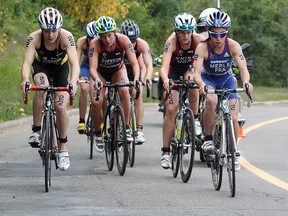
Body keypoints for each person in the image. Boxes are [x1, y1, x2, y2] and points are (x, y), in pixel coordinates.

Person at [193, 11, 253, 171]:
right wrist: (202, 85)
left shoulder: (233, 45)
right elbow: (196, 74)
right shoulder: (202, 47)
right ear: (208, 32)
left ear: (227, 32)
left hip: (226, 79)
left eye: (222, 35)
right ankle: (209, 138)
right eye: (214, 35)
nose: (218, 39)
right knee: (212, 100)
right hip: (209, 80)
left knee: (234, 116)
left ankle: (233, 151)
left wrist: (246, 82)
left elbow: (243, 68)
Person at [20, 7, 79, 171]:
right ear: (41, 29)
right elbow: (26, 63)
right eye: (46, 31)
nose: (51, 35)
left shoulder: (67, 37)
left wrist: (73, 81)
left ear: (59, 28)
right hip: (41, 67)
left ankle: (62, 148)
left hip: (61, 69)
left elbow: (74, 63)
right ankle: (37, 131)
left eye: (54, 30)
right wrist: (25, 80)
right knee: (42, 87)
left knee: (60, 108)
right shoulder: (34, 38)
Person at [88, 16, 140, 152]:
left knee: (124, 90)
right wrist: (97, 81)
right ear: (99, 36)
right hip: (100, 73)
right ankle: (98, 132)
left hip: (118, 70)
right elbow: (92, 68)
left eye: (110, 35)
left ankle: (126, 128)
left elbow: (134, 63)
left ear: (114, 32)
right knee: (96, 101)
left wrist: (136, 79)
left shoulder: (123, 40)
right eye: (103, 36)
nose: (107, 40)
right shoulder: (95, 43)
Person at [160, 12, 205, 169]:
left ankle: (195, 118)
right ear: (176, 31)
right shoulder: (171, 42)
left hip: (188, 70)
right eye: (182, 32)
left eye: (188, 32)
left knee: (192, 81)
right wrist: (166, 80)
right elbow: (164, 66)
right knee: (171, 109)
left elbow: (205, 60)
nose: (186, 36)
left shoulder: (198, 40)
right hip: (172, 73)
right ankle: (166, 152)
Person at [119, 19, 153, 144]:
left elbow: (148, 65)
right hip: (120, 71)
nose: (131, 44)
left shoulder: (142, 44)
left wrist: (146, 79)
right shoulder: (118, 43)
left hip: (136, 71)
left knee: (137, 95)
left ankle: (139, 130)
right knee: (116, 95)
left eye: (133, 41)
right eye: (129, 40)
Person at [76, 21, 98, 134]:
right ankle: (82, 121)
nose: (93, 42)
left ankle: (100, 120)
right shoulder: (82, 42)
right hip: (86, 66)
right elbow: (75, 60)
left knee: (97, 95)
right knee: (84, 88)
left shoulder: (102, 41)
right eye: (91, 38)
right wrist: (74, 78)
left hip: (98, 68)